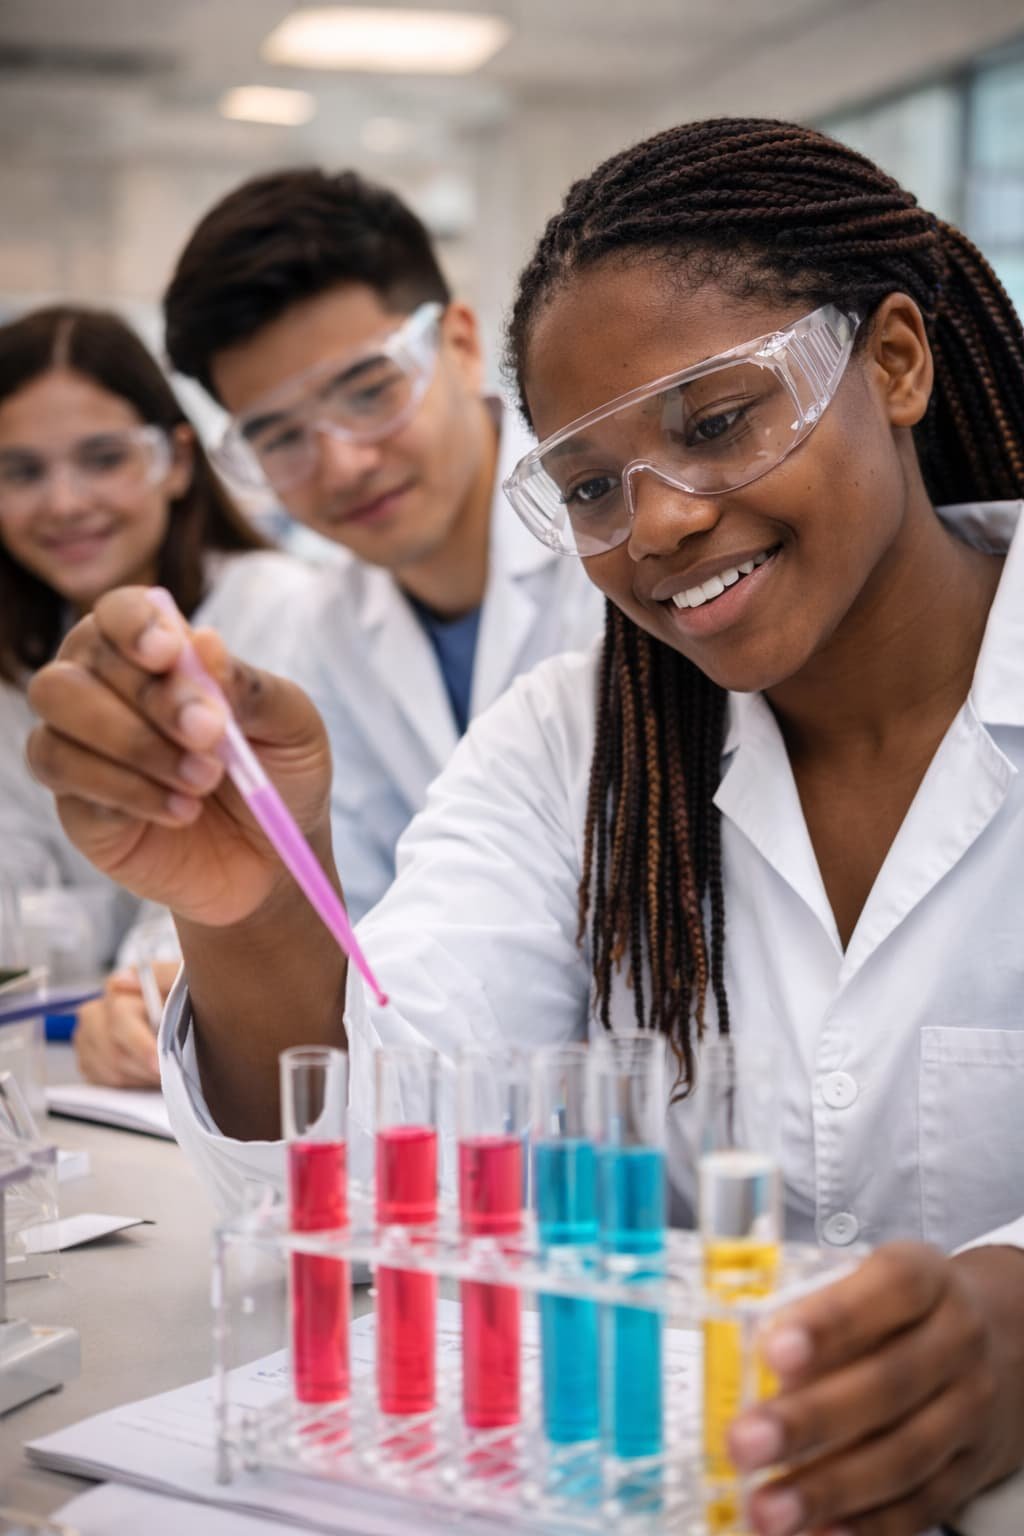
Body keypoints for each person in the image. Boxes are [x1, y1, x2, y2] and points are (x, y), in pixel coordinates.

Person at [26, 115, 1024, 1534]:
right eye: (591, 486)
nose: (658, 523)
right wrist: (248, 912)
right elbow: (381, 1174)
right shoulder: (578, 744)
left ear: (898, 362)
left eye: (718, 420)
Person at [71, 165, 602, 1087]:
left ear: (464, 344)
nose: (344, 463)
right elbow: (288, 874)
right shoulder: (317, 628)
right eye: (278, 436)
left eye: (368, 390)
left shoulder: (617, 542)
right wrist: (153, 988)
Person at [0, 304, 310, 1083]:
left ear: (175, 461)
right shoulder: (19, 660)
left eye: (103, 458)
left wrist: (138, 995)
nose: (65, 502)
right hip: (75, 1077)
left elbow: (235, 872)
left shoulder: (272, 610)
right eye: (22, 471)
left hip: (241, 1060)